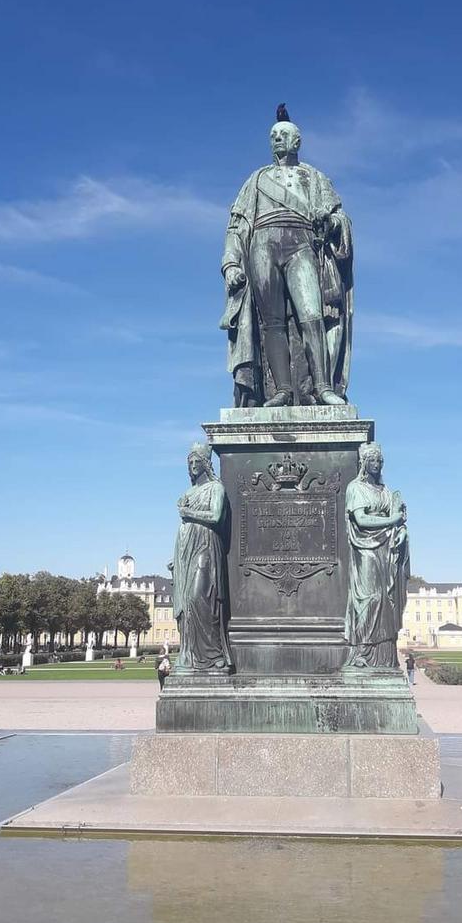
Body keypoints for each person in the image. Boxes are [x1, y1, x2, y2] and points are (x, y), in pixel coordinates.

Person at [220, 104, 353, 407]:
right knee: (272, 322)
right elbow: (237, 225)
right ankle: (282, 390)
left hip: (301, 242)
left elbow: (340, 218)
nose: (277, 139)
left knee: (312, 315)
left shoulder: (314, 178)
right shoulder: (255, 180)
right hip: (262, 245)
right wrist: (230, 264)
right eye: (273, 135)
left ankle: (322, 387)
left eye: (283, 135)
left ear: (297, 142)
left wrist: (330, 223)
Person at [343, 442, 410, 670]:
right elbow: (361, 520)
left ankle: (382, 655)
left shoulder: (386, 491)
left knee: (385, 599)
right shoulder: (356, 488)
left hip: (386, 548)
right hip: (365, 548)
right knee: (369, 598)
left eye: (380, 460)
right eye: (372, 460)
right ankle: (361, 651)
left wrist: (401, 531)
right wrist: (393, 521)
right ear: (363, 462)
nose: (377, 464)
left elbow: (399, 519)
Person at [171, 443, 232, 673]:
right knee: (187, 603)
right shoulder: (188, 493)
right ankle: (192, 657)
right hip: (186, 549)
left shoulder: (216, 488)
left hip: (206, 545)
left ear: (206, 464)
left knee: (201, 598)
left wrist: (188, 513)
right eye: (190, 462)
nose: (194, 465)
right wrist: (175, 558)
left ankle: (214, 656)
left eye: (197, 461)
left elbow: (216, 516)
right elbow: (182, 525)